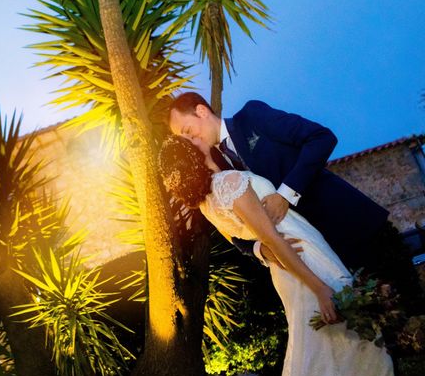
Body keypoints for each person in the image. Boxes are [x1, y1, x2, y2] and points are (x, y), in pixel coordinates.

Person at [158, 134, 395, 376]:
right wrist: (320, 288)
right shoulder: (227, 183)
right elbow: (273, 238)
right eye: (189, 141)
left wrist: (261, 249)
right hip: (301, 257)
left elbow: (249, 238)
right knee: (336, 340)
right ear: (192, 158)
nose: (194, 138)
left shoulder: (206, 203)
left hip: (286, 265)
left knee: (326, 344)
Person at [168, 92, 422, 311]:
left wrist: (286, 195)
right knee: (374, 335)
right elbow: (232, 229)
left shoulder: (252, 116)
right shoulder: (217, 170)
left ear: (201, 111)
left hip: (352, 228)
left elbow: (321, 138)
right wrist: (260, 249)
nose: (191, 142)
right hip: (316, 260)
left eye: (188, 132)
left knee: (410, 310)